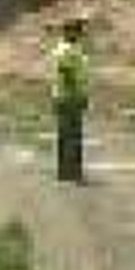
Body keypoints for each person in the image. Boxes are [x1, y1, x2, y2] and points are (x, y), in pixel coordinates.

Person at [50, 17, 89, 183]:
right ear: (68, 32)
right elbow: (66, 72)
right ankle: (71, 172)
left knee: (67, 135)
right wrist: (77, 95)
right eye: (77, 30)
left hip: (67, 95)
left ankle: (66, 171)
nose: (80, 34)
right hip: (68, 97)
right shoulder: (66, 50)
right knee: (71, 135)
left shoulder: (72, 48)